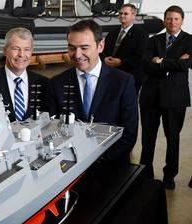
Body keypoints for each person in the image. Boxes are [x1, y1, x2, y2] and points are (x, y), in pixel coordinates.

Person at [46, 19, 138, 163]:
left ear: (100, 46)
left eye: (84, 47)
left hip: (112, 165)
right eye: (72, 48)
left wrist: (98, 159)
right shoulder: (56, 84)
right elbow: (52, 131)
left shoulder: (123, 82)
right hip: (68, 166)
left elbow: (129, 134)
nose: (77, 55)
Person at [139, 5, 191, 189]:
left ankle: (170, 175)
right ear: (164, 20)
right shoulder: (154, 40)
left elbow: (187, 65)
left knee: (173, 138)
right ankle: (146, 174)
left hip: (175, 97)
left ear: (182, 20)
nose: (172, 22)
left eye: (176, 19)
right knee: (148, 138)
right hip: (150, 96)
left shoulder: (189, 40)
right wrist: (174, 63)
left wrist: (160, 62)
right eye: (169, 18)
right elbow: (145, 64)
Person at [0, 27, 49, 122]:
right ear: (4, 50)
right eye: (16, 49)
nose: (21, 54)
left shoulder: (44, 83)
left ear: (32, 51)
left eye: (26, 49)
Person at [102, 3, 148, 94]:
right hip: (111, 75)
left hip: (130, 76)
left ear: (133, 15)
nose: (122, 16)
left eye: (125, 14)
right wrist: (104, 59)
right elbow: (103, 50)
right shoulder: (112, 33)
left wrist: (121, 62)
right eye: (120, 13)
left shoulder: (141, 34)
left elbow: (140, 57)